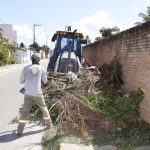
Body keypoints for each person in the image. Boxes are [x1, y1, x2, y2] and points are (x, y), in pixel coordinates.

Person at [17, 53, 52, 136]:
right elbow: (45, 82)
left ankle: (19, 131)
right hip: (38, 93)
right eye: (39, 59)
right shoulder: (41, 69)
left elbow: (21, 81)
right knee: (44, 108)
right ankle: (49, 125)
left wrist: (29, 77)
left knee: (25, 111)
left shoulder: (26, 68)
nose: (39, 61)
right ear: (36, 60)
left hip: (28, 93)